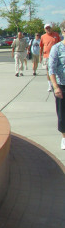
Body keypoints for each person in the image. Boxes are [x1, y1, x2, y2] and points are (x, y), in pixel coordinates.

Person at [48, 20, 65, 150]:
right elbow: (51, 69)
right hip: (62, 85)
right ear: (63, 32)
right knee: (63, 113)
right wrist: (55, 86)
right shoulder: (57, 48)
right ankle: (64, 138)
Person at [40, 24, 61, 91]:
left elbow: (60, 44)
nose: (48, 29)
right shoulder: (43, 36)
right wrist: (40, 56)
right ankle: (50, 85)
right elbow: (41, 47)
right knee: (48, 71)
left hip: (56, 56)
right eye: (46, 28)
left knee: (57, 70)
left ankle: (57, 84)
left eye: (49, 28)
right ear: (44, 29)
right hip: (47, 56)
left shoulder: (56, 35)